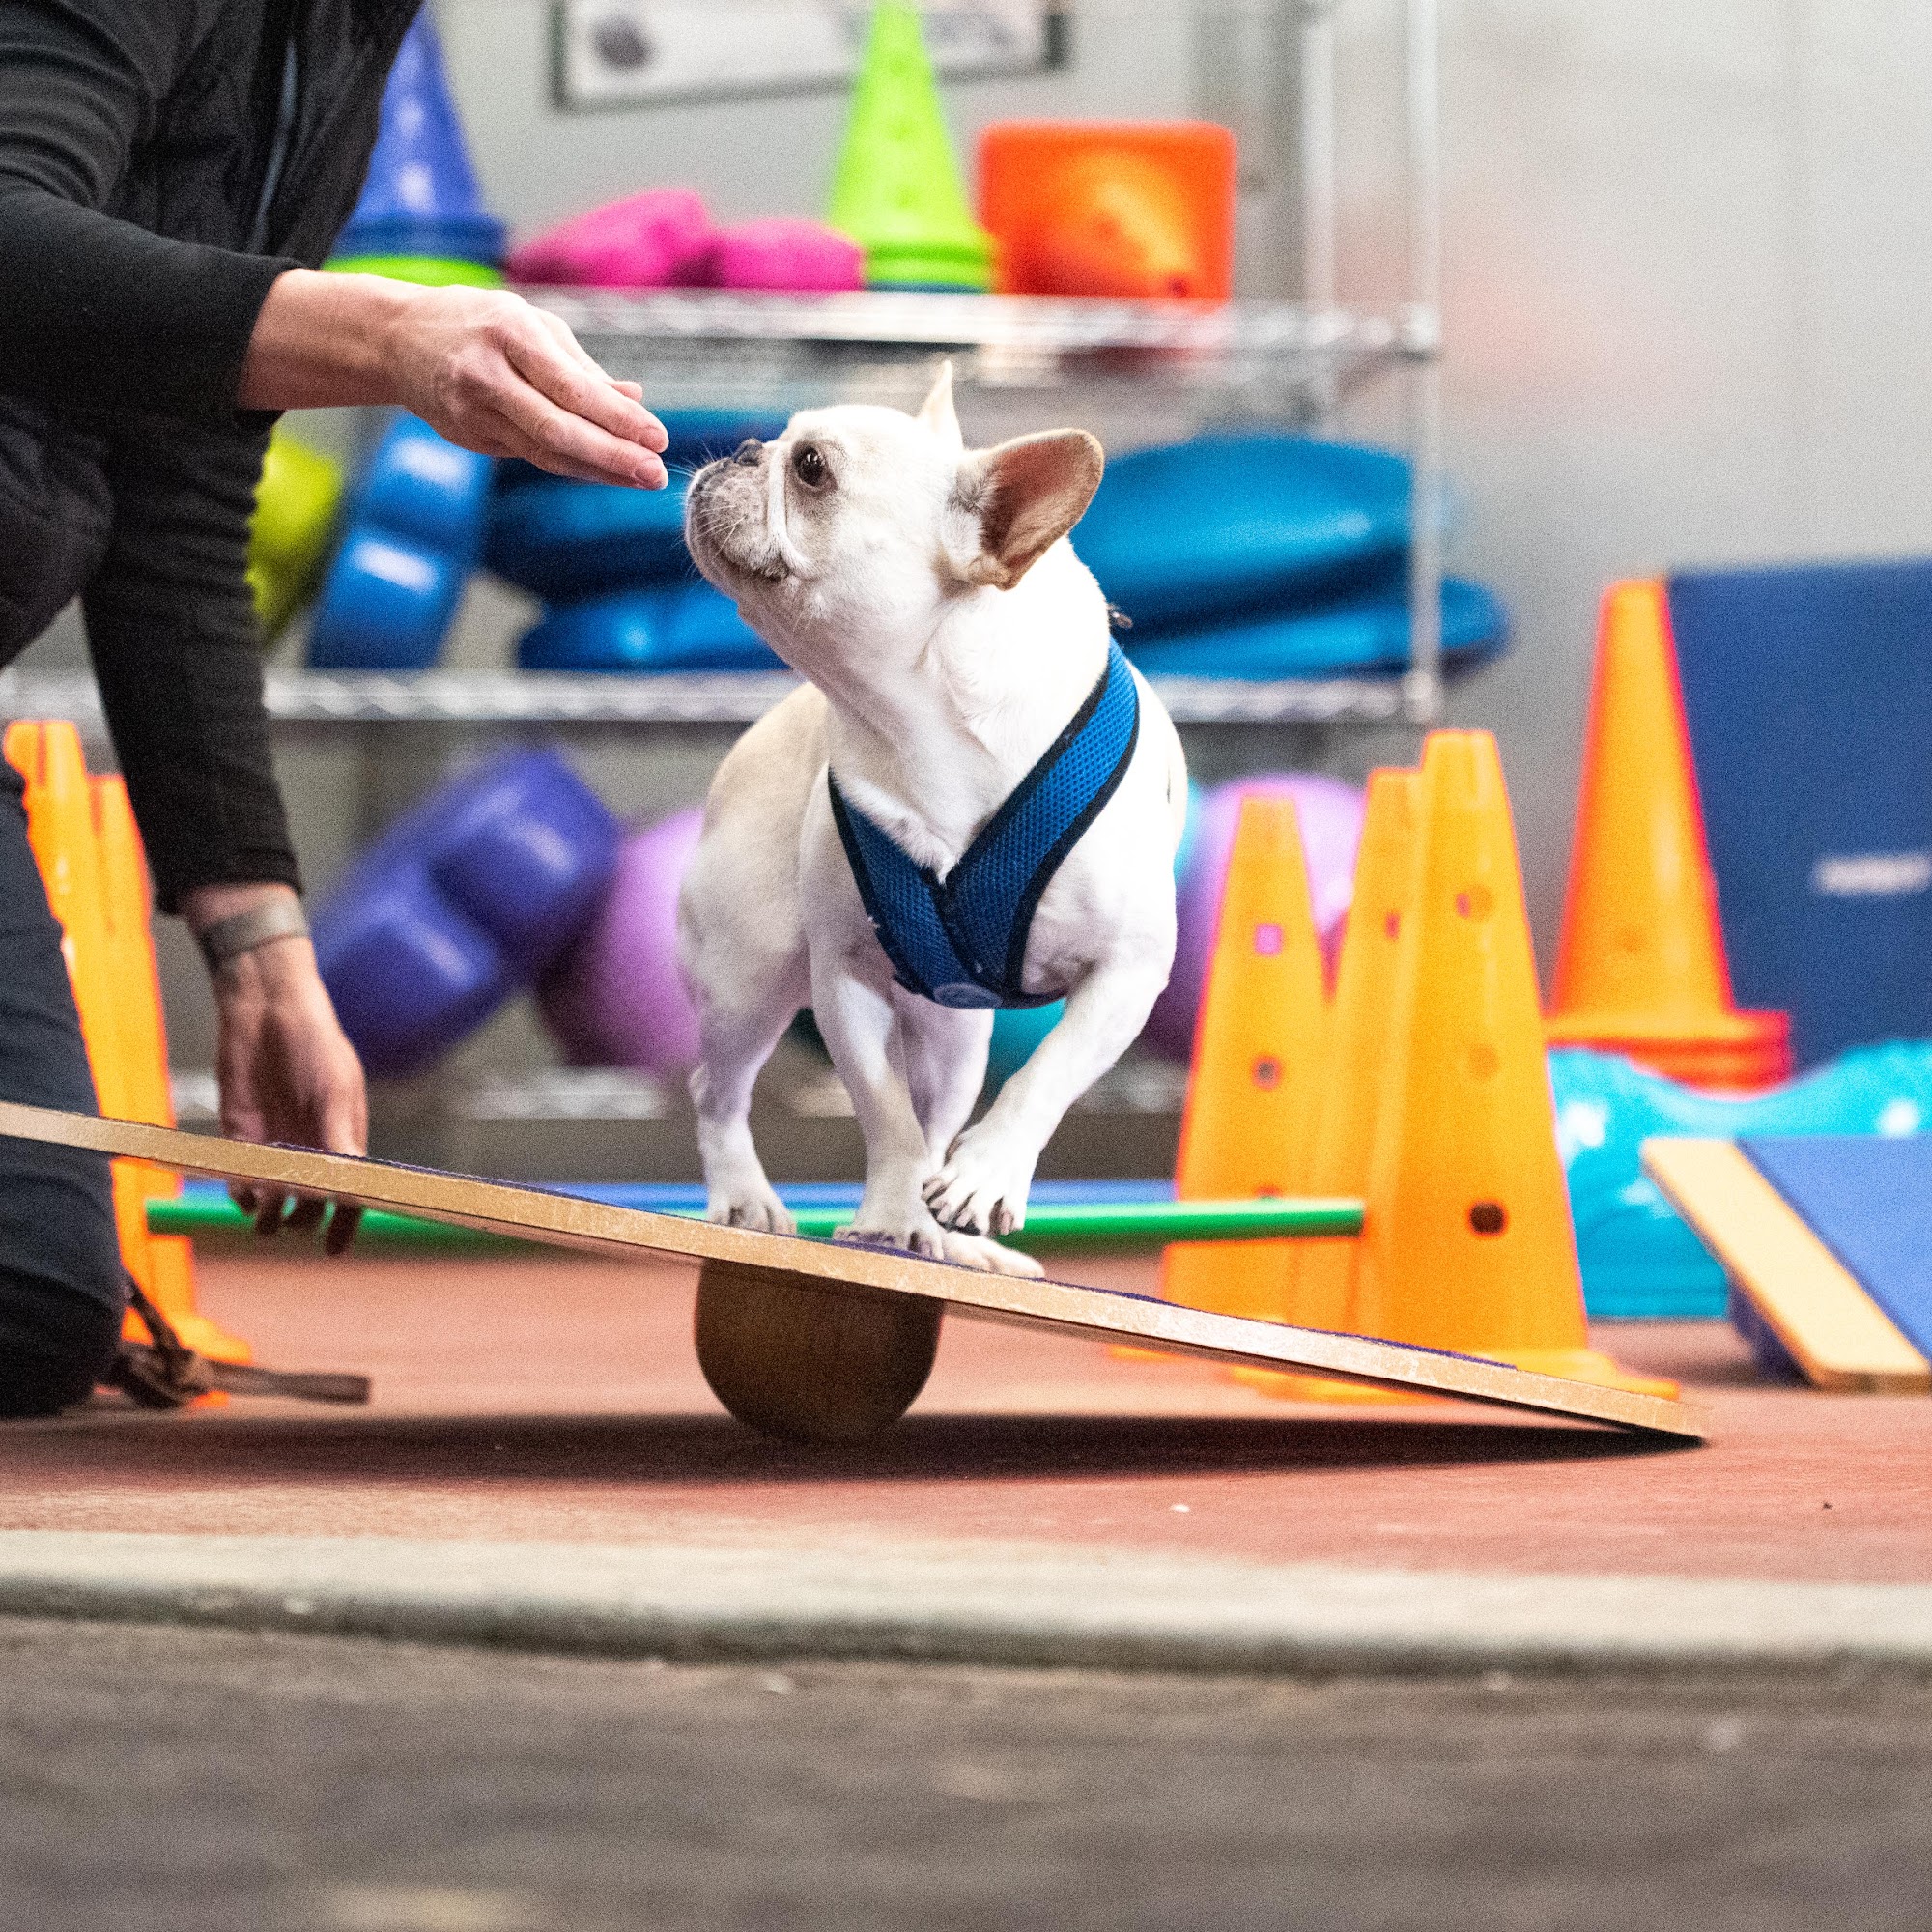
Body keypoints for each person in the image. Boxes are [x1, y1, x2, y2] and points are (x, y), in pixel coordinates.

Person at [0, 0, 668, 1416]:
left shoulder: (341, 50)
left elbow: (179, 497)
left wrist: (255, 935)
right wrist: (379, 333)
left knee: (30, 1298)